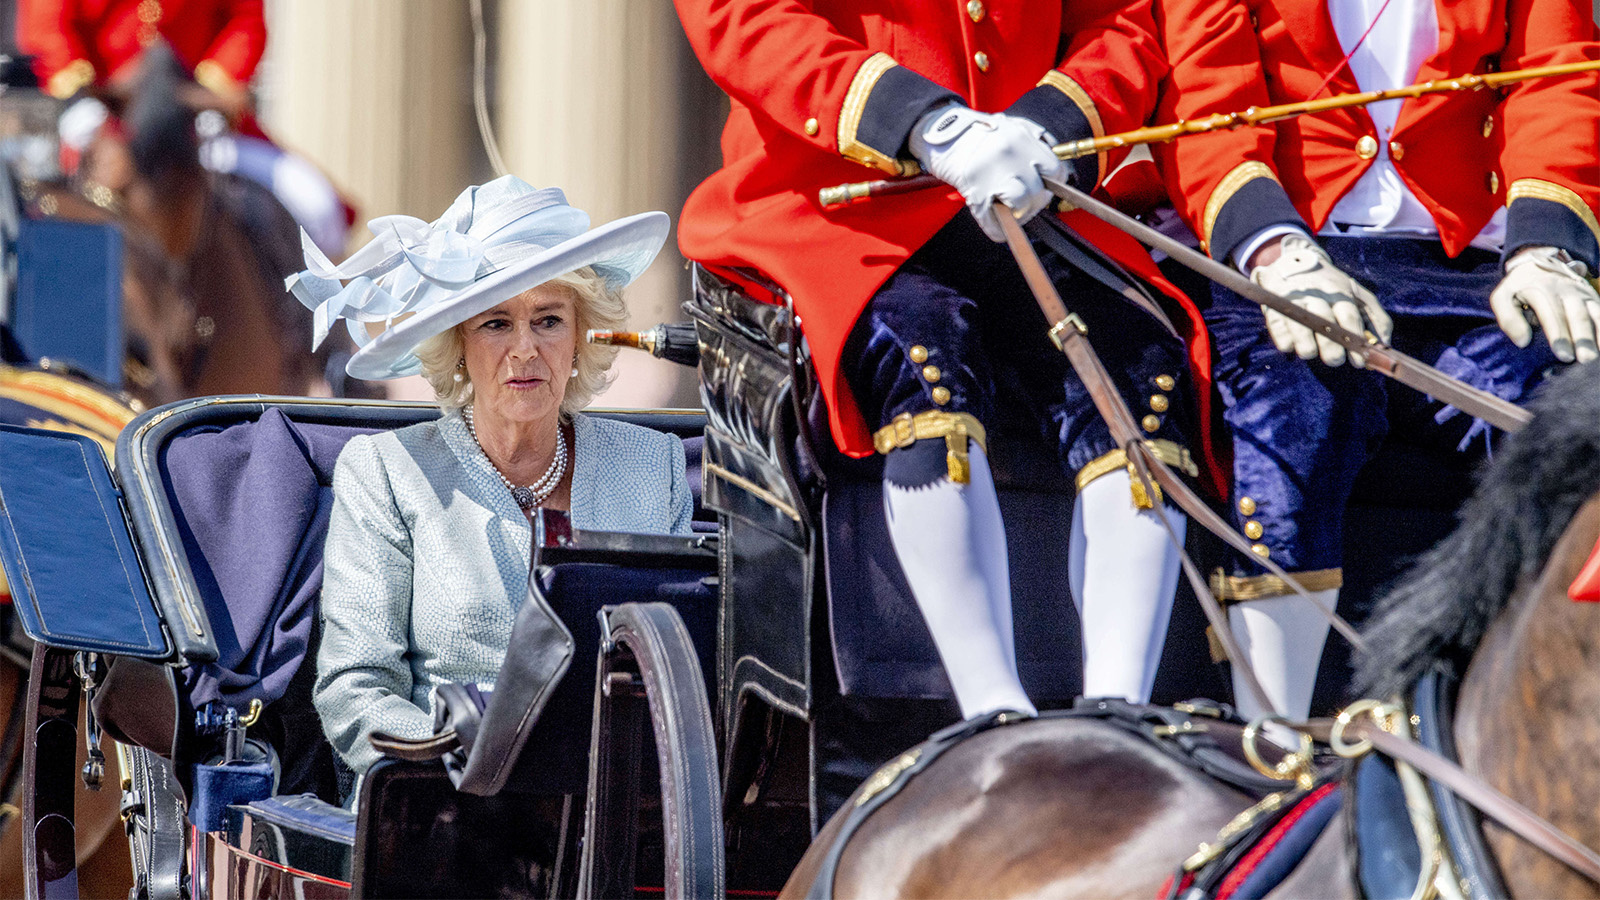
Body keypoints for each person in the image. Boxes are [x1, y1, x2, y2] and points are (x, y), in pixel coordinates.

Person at [672, 0, 1222, 720]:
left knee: (1140, 375)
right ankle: (992, 707)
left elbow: (1123, 21)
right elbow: (745, 18)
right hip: (840, 202)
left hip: (1024, 188)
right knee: (924, 356)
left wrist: (1052, 122)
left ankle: (1118, 711)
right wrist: (921, 121)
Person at [1153, 0, 1600, 720]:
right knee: (1294, 411)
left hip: (1475, 266)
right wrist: (1273, 248)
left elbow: (1557, 74)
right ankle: (1275, 732)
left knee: (1571, 423)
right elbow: (1206, 96)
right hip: (1289, 256)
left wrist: (1549, 246)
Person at [308, 176, 694, 781]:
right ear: (458, 343)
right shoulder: (387, 473)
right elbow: (354, 690)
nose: (524, 349)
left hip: (614, 807)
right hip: (440, 803)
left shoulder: (654, 468)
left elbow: (683, 674)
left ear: (579, 335)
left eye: (548, 319)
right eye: (495, 323)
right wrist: (469, 761)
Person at [18, 0, 351, 255]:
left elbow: (245, 19)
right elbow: (48, 23)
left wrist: (210, 92)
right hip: (104, 120)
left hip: (198, 119)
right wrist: (81, 98)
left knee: (316, 204)